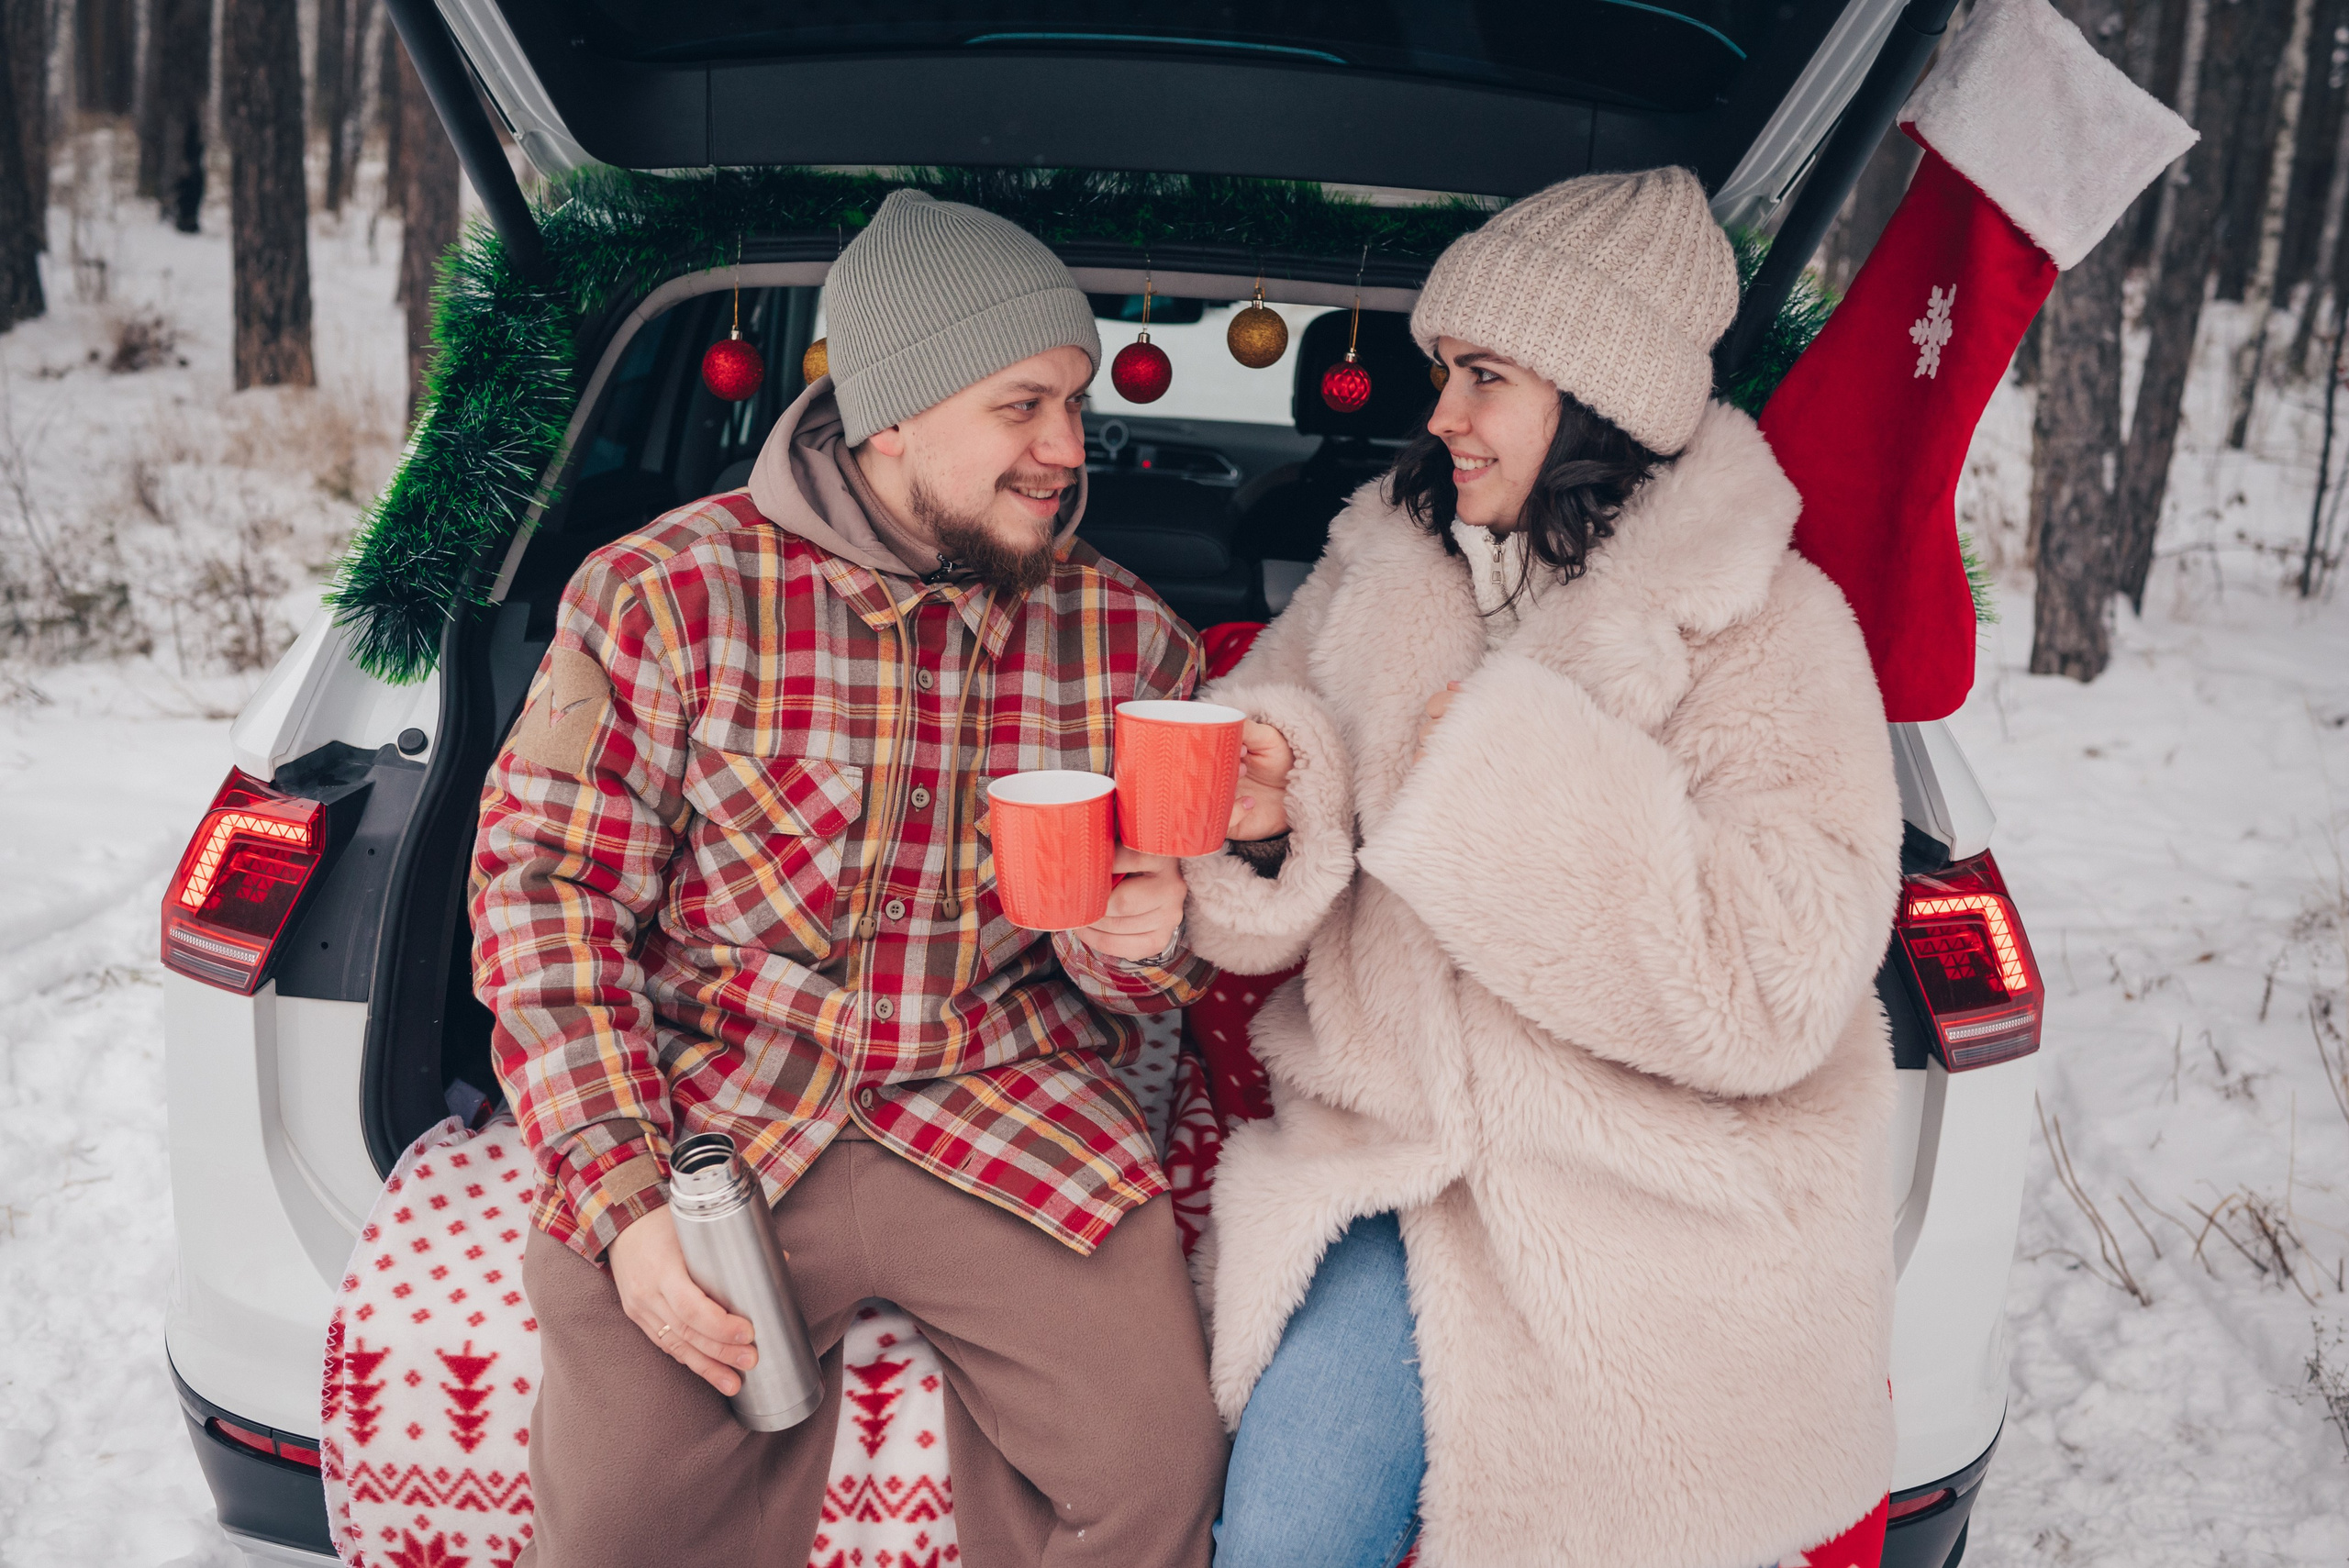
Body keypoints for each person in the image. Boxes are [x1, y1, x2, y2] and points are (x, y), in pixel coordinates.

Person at [471, 188, 1228, 1568]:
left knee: (1156, 1472)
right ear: (893, 413)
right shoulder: (660, 597)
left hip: (1012, 1101)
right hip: (727, 1108)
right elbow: (543, 896)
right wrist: (626, 1202)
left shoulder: (1131, 640)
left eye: (1075, 402)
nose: (1070, 447)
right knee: (627, 1518)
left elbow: (1158, 966)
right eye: (1024, 406)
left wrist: (1147, 933)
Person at [1188, 168, 1903, 1568]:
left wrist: (1513, 782)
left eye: (1485, 375)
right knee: (1276, 1537)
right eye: (1444, 371)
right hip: (1391, 1170)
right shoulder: (1382, 565)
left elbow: (1772, 982)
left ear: (1599, 394)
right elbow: (1281, 784)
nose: (1442, 413)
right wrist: (1273, 811)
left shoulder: (1769, 625)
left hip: (1652, 1213)